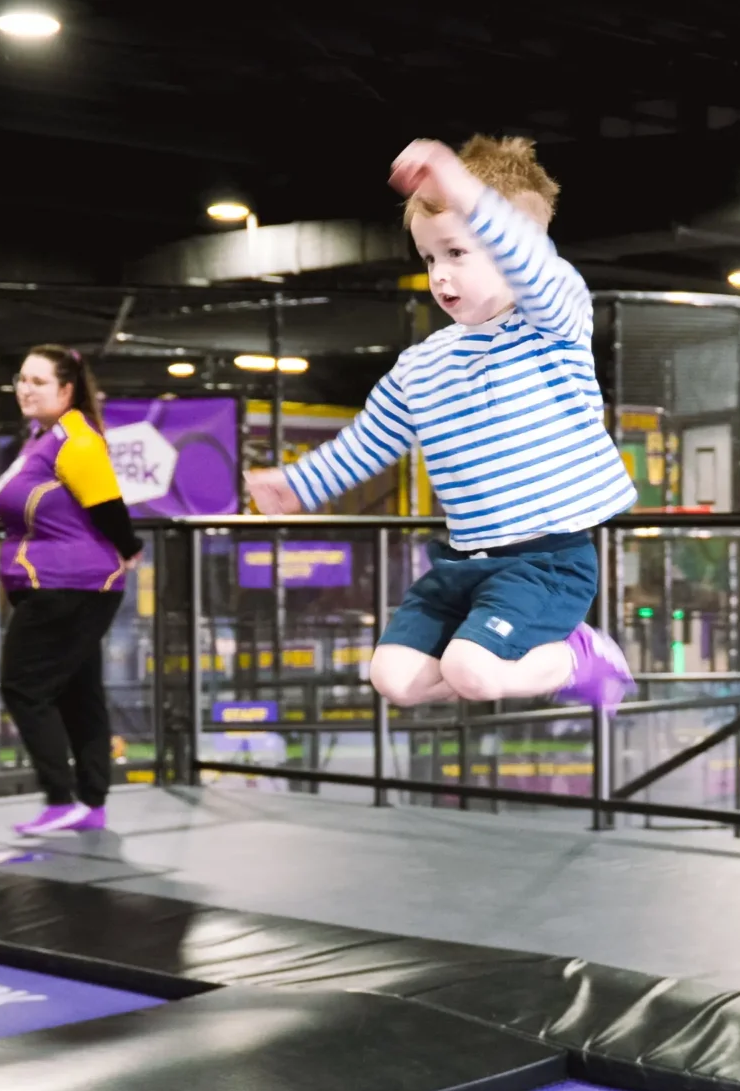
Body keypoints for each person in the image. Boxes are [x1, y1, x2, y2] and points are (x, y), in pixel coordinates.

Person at [247, 136, 635, 712]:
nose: (439, 275)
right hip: (464, 560)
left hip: (545, 561)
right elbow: (371, 439)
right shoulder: (424, 363)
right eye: (430, 258)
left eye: (457, 253)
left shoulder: (553, 321)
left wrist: (463, 190)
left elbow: (530, 263)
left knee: (471, 669)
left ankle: (581, 657)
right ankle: (509, 656)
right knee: (394, 678)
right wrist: (298, 484)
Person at [0, 343, 143, 835]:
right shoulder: (44, 437)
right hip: (60, 584)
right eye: (21, 379)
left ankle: (62, 799)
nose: (25, 389)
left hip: (69, 587)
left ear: (66, 389)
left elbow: (109, 507)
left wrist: (129, 546)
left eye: (38, 381)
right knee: (79, 692)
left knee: (22, 686)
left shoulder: (75, 441)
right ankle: (91, 804)